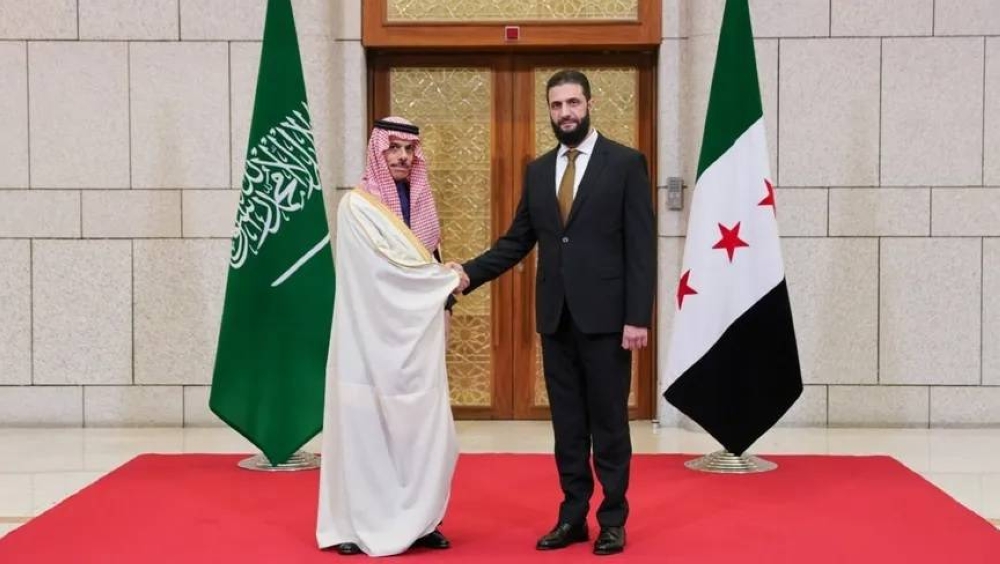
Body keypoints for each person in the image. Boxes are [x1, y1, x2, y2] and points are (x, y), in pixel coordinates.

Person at [450, 70, 655, 556]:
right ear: (549, 110)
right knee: (568, 425)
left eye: (573, 103)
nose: (565, 113)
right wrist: (467, 274)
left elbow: (641, 246)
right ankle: (572, 516)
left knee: (609, 423)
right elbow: (518, 240)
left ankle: (613, 519)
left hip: (607, 321)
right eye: (557, 105)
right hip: (556, 319)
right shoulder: (539, 170)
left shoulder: (625, 163)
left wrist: (637, 317)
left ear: (590, 104)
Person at [316, 117, 460, 557]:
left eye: (409, 149)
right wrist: (445, 280)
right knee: (365, 431)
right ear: (377, 153)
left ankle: (421, 522)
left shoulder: (420, 203)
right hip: (366, 339)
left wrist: (444, 300)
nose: (402, 157)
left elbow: (425, 260)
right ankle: (353, 526)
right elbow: (380, 274)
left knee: (422, 431)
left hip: (415, 341)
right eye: (393, 148)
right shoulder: (357, 207)